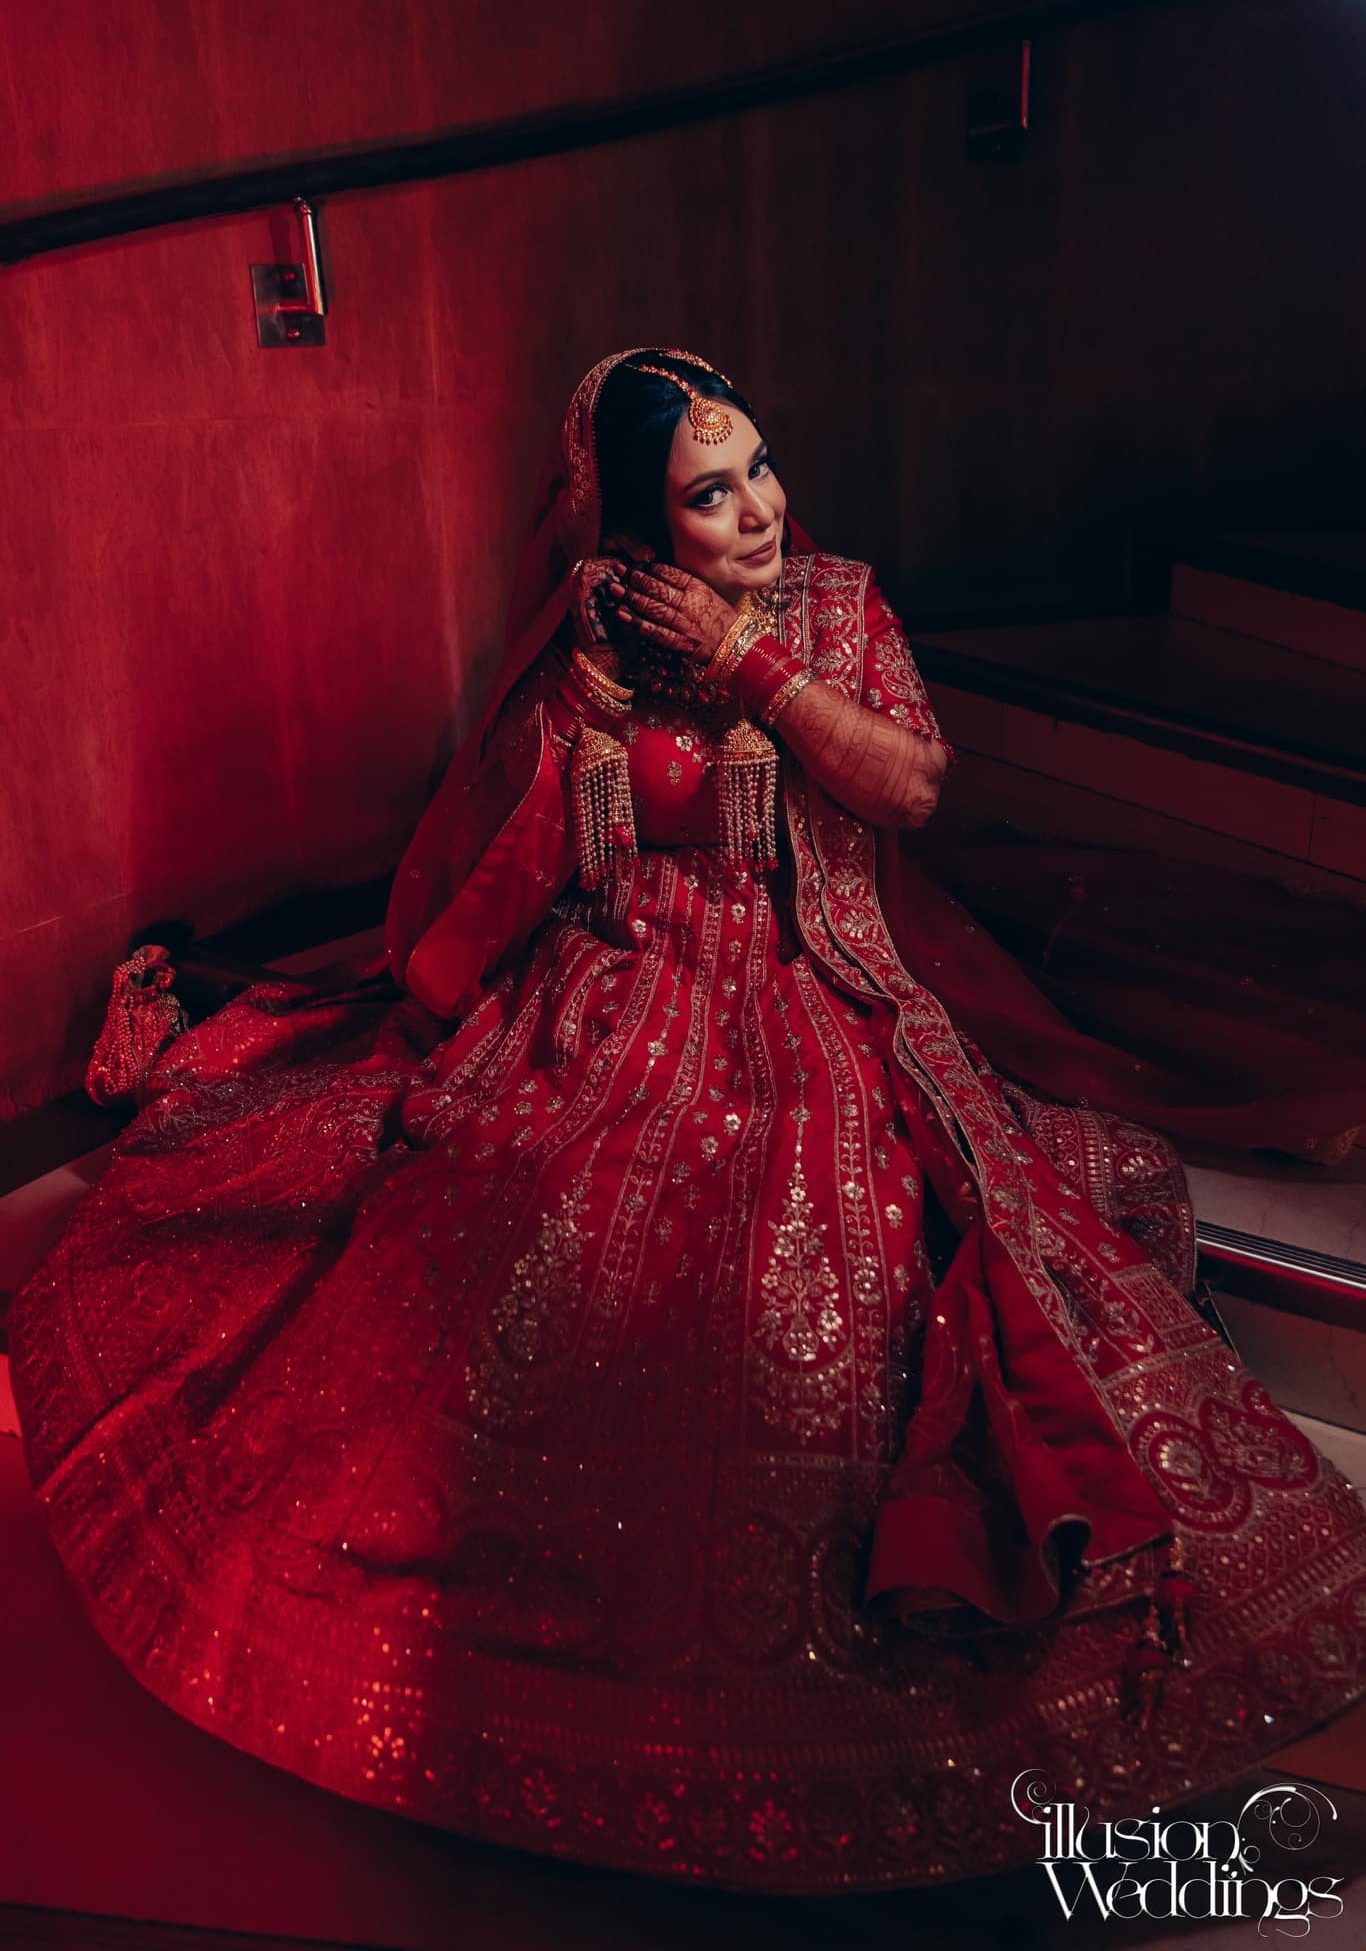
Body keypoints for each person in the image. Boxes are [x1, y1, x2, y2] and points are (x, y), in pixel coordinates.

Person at [10, 347, 1366, 1897]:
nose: (758, 508)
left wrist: (748, 660)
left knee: (856, 1250)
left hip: (812, 974)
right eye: (708, 494)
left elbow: (912, 794)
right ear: (638, 527)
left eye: (759, 468)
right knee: (521, 1218)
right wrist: (586, 705)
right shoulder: (590, 635)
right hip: (617, 976)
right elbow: (514, 865)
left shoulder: (836, 608)